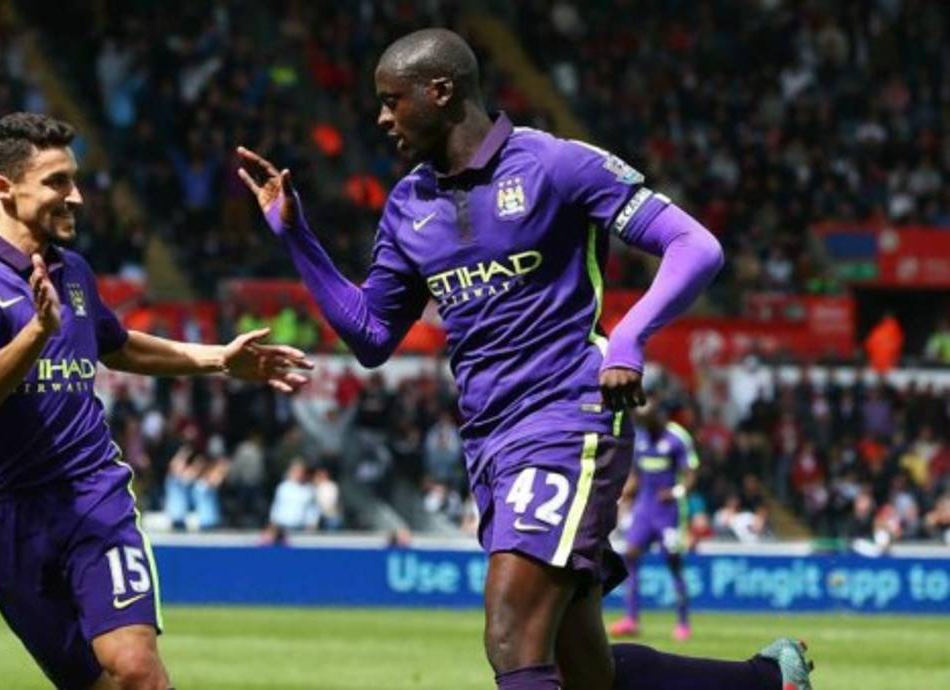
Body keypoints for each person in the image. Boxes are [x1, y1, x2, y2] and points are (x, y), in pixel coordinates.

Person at [238, 27, 812, 690]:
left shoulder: (557, 165)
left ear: (441, 91)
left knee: (510, 634)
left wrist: (628, 338)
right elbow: (370, 335)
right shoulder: (408, 205)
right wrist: (297, 237)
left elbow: (695, 247)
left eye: (393, 100)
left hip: (568, 416)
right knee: (583, 674)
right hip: (489, 440)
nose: (382, 117)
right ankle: (769, 682)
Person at [0, 112, 312, 690]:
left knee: (136, 671)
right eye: (57, 181)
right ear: (4, 188)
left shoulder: (74, 271)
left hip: (92, 496)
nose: (76, 197)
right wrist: (36, 331)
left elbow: (116, 345)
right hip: (6, 513)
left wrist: (218, 360)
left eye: (75, 180)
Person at [609, 399, 698, 641]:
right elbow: (637, 476)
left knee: (673, 562)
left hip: (669, 512)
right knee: (631, 554)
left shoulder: (677, 438)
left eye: (645, 420)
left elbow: (691, 474)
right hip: (644, 509)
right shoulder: (641, 437)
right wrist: (622, 495)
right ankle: (631, 618)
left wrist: (676, 492)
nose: (642, 424)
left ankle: (683, 622)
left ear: (658, 417)